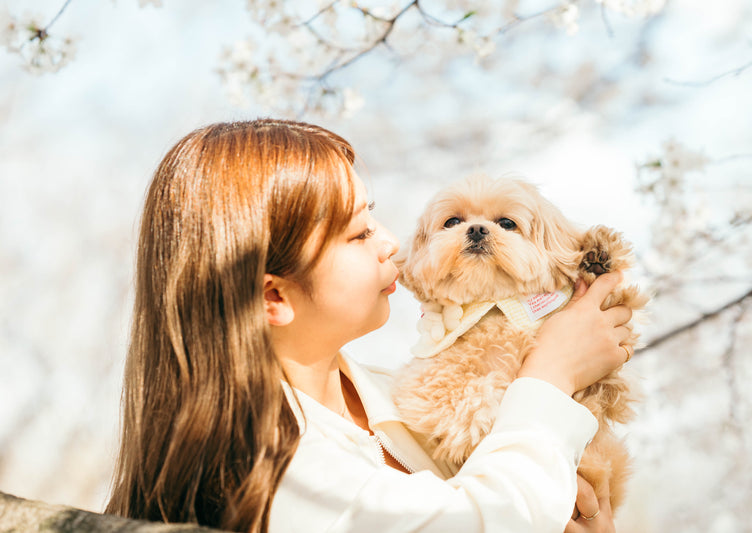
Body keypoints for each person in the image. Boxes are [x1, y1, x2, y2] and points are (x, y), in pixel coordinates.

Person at [105, 119, 632, 533]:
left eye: (374, 219)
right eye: (359, 234)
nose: (394, 244)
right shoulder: (268, 466)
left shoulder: (395, 398)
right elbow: (475, 524)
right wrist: (550, 378)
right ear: (273, 295)